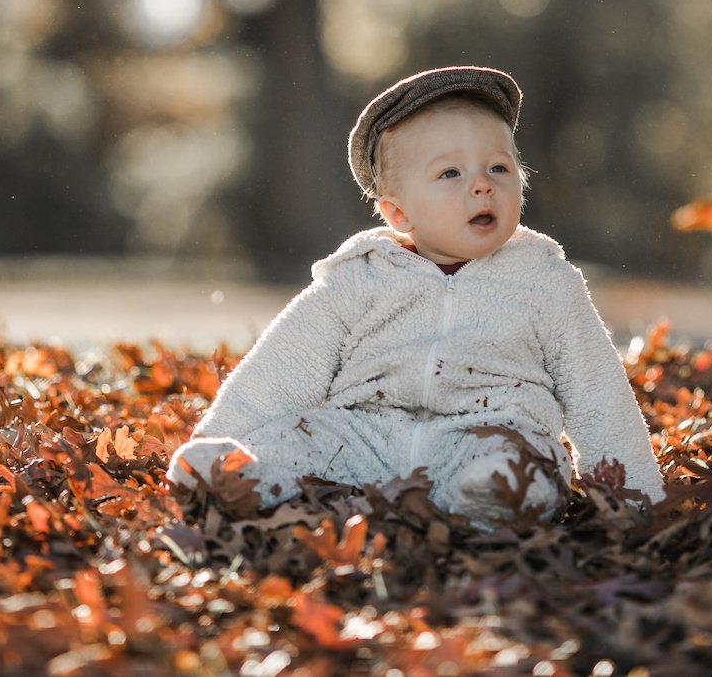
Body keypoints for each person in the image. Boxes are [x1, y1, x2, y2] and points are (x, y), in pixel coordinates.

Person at [166, 66, 664, 525]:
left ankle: (492, 502)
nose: (481, 187)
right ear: (398, 214)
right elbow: (282, 368)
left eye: (499, 168)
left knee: (524, 465)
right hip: (366, 437)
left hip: (489, 436)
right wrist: (221, 436)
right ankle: (237, 474)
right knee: (299, 441)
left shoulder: (545, 283)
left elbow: (598, 395)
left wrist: (634, 496)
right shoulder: (360, 279)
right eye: (451, 174)